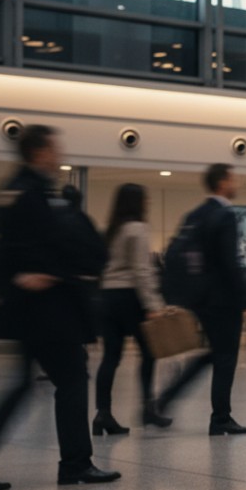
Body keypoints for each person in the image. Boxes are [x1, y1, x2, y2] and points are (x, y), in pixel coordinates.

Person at [0, 125, 121, 490]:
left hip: (33, 310)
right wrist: (35, 273)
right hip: (48, 310)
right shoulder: (32, 194)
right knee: (72, 381)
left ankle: (76, 463)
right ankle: (76, 464)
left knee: (25, 387)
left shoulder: (18, 190)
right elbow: (38, 246)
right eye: (54, 149)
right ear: (40, 153)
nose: (59, 155)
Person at [152, 164, 246, 434]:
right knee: (225, 358)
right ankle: (220, 418)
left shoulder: (195, 214)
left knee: (214, 354)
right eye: (234, 179)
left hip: (201, 300)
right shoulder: (224, 216)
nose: (238, 184)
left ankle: (168, 398)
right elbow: (229, 263)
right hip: (223, 301)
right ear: (223, 182)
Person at [94, 183, 164, 435]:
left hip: (108, 296)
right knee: (149, 352)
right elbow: (141, 270)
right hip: (129, 296)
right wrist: (153, 305)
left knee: (111, 357)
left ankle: (103, 413)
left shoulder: (112, 229)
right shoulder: (138, 228)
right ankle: (148, 407)